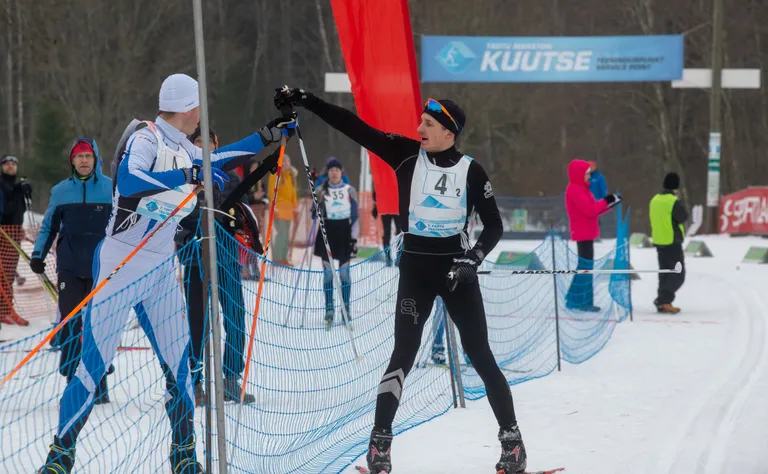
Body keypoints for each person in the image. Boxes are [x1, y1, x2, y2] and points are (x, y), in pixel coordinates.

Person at [38, 73, 294, 474]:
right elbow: (128, 179)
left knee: (182, 365)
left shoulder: (183, 148)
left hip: (159, 270)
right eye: (198, 109)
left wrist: (267, 135)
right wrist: (187, 177)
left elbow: (219, 159)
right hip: (120, 267)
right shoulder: (148, 139)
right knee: (92, 365)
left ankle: (183, 454)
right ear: (188, 108)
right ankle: (60, 456)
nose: (199, 117)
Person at [276, 89, 525, 474]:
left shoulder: (472, 171)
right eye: (421, 121)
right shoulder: (407, 155)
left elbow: (494, 225)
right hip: (416, 273)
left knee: (481, 356)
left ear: (449, 132)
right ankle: (380, 446)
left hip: (456, 275)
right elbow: (356, 128)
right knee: (402, 355)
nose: (420, 127)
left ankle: (513, 444)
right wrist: (308, 101)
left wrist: (472, 260)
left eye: (429, 123)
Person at [176, 125, 274, 406]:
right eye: (198, 143)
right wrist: (185, 239)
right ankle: (195, 382)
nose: (204, 148)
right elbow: (177, 219)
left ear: (217, 145)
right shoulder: (185, 178)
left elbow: (242, 216)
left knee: (235, 317)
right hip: (195, 257)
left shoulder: (230, 177)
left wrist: (247, 237)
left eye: (209, 142)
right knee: (198, 322)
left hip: (227, 258)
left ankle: (230, 378)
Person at [30, 137, 114, 403]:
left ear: (96, 159)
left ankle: (99, 379)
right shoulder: (61, 191)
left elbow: (123, 227)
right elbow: (48, 227)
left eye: (88, 156)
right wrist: (37, 254)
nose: (84, 161)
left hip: (102, 266)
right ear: (72, 161)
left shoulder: (111, 189)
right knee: (69, 321)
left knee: (99, 324)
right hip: (70, 266)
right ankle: (71, 377)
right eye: (79, 157)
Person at [564, 159, 621, 312]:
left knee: (585, 266)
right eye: (587, 174)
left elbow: (594, 210)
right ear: (578, 174)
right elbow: (589, 210)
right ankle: (580, 301)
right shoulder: (575, 190)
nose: (589, 176)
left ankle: (576, 299)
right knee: (585, 267)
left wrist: (610, 203)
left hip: (587, 232)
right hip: (582, 233)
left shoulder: (582, 188)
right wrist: (606, 200)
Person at [314, 158, 359, 326]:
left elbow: (355, 216)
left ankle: (346, 308)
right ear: (328, 173)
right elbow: (314, 210)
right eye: (331, 170)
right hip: (327, 233)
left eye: (337, 170)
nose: (334, 173)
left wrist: (354, 237)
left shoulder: (350, 190)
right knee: (327, 273)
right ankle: (329, 307)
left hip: (345, 233)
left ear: (341, 172)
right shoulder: (321, 190)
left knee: (344, 273)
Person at [649, 172, 688, 313]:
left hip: (659, 241)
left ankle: (663, 302)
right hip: (672, 241)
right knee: (678, 274)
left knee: (665, 273)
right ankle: (664, 299)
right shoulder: (672, 201)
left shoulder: (654, 199)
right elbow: (683, 216)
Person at [0, 154, 31, 326]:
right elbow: (6, 210)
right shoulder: (2, 185)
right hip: (3, 234)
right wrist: (18, 191)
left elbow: (21, 209)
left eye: (13, 163)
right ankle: (4, 310)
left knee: (9, 273)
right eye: (7, 164)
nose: (11, 166)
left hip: (14, 233)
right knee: (3, 274)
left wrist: (26, 191)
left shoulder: (14, 184)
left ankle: (6, 308)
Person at [267, 153, 298, 266]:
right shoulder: (275, 175)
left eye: (287, 161)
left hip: (289, 211)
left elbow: (294, 194)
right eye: (283, 161)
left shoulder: (290, 176)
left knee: (286, 235)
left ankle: (283, 258)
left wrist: (295, 209)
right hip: (279, 210)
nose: (285, 163)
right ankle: (277, 258)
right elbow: (272, 192)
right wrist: (274, 208)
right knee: (281, 234)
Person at [372, 186, 401, 266]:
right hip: (386, 207)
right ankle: (388, 257)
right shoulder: (384, 176)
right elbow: (377, 190)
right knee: (387, 233)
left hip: (398, 206)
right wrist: (375, 207)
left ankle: (399, 256)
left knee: (399, 233)